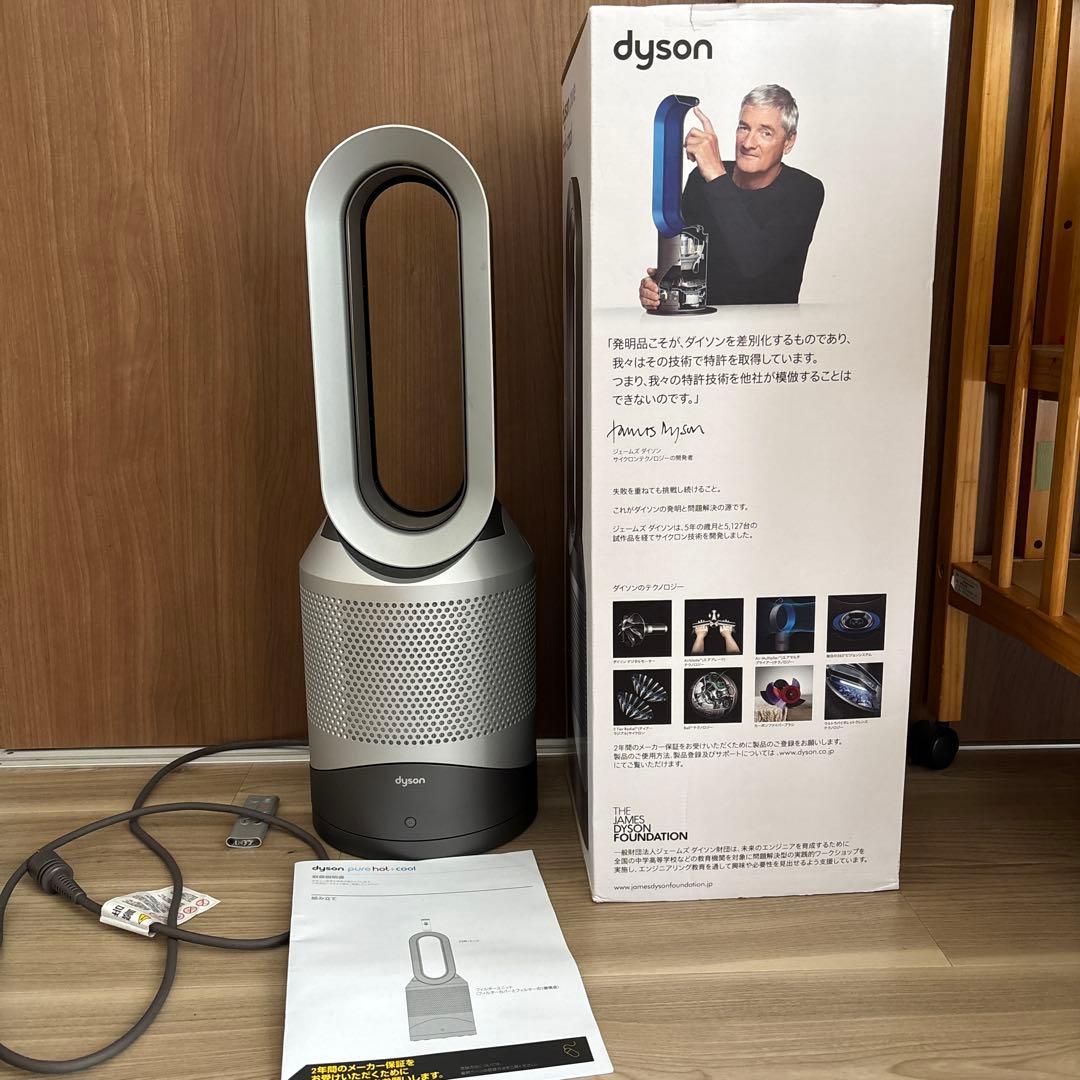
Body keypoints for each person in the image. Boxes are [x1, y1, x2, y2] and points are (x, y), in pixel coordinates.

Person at [639, 84, 824, 308]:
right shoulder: (702, 179)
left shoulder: (805, 190)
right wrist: (658, 286)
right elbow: (684, 264)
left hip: (768, 326)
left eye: (765, 133)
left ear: (789, 142)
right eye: (744, 128)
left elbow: (755, 262)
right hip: (703, 325)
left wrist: (715, 174)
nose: (748, 143)